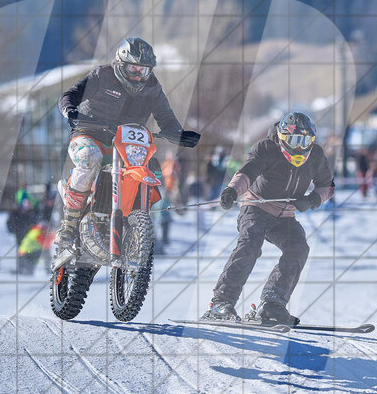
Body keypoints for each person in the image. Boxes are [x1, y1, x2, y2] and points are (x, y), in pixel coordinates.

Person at [54, 37, 200, 260]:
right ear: (120, 63)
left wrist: (179, 135)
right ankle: (69, 224)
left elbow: (166, 117)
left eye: (144, 70)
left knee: (151, 166)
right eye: (133, 68)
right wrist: (70, 110)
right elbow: (70, 95)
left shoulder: (152, 87)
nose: (138, 75)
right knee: (90, 157)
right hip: (90, 134)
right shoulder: (101, 75)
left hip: (126, 144)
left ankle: (134, 223)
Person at [204, 112, 334, 326]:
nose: (299, 147)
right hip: (256, 206)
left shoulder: (316, 155)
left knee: (298, 248)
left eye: (305, 141)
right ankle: (221, 302)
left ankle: (272, 303)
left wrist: (312, 200)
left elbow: (327, 186)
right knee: (250, 244)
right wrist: (232, 191)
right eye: (294, 140)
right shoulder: (266, 148)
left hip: (285, 215)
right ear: (282, 137)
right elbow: (247, 173)